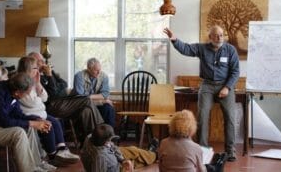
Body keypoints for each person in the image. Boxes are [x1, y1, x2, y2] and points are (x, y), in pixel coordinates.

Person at [163, 26, 239, 161]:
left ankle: (230, 150)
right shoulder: (202, 48)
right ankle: (203, 149)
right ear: (210, 37)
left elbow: (235, 72)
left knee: (230, 117)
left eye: (221, 35)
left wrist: (227, 87)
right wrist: (174, 40)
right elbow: (186, 49)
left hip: (225, 85)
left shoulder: (230, 50)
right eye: (216, 35)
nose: (219, 38)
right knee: (202, 115)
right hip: (207, 85)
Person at [28, 52, 104, 144]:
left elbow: (64, 84)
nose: (43, 62)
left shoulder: (48, 71)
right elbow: (52, 95)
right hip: (52, 107)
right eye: (40, 61)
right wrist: (49, 76)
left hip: (62, 102)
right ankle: (102, 134)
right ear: (32, 63)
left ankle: (89, 143)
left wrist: (51, 76)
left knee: (86, 110)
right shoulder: (35, 77)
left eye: (42, 60)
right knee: (86, 100)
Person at [16, 57, 80, 166]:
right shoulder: (21, 82)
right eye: (36, 68)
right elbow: (32, 103)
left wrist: (38, 83)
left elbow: (45, 97)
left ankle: (62, 149)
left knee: (56, 122)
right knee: (47, 125)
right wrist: (38, 99)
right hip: (28, 114)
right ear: (29, 69)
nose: (38, 70)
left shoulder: (33, 81)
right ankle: (52, 156)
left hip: (40, 112)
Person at [0, 65, 56, 171]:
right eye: (26, 93)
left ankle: (36, 165)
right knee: (19, 132)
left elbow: (18, 115)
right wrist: (32, 123)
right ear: (17, 92)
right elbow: (4, 121)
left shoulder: (12, 91)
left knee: (29, 127)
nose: (27, 95)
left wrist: (36, 120)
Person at [159, 110, 228, 172]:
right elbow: (201, 170)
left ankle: (215, 166)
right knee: (205, 166)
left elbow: (161, 168)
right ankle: (216, 167)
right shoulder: (195, 147)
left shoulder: (163, 143)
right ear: (192, 127)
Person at [81, 123, 157, 172]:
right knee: (137, 161)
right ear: (105, 142)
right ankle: (155, 154)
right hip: (116, 167)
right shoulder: (100, 157)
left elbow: (112, 146)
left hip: (113, 155)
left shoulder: (91, 137)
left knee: (133, 149)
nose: (111, 142)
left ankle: (151, 153)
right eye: (110, 140)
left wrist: (123, 160)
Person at [72, 57, 116, 127]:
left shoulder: (104, 76)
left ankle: (109, 134)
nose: (99, 72)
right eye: (96, 70)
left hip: (94, 102)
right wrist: (101, 101)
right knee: (87, 110)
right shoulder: (79, 76)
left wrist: (89, 96)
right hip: (82, 104)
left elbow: (105, 94)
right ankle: (94, 134)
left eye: (99, 70)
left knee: (109, 108)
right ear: (88, 69)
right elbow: (81, 98)